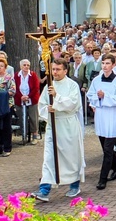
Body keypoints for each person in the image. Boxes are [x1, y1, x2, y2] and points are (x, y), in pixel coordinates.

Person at [31, 59, 85, 201]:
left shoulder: (72, 85)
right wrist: (47, 109)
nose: (55, 72)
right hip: (53, 124)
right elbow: (42, 104)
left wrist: (57, 97)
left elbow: (74, 104)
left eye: (58, 69)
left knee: (71, 157)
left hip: (68, 125)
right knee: (49, 157)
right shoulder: (49, 85)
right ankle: (44, 189)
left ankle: (74, 185)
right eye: (53, 69)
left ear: (65, 70)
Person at [87, 54, 116, 190]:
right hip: (101, 116)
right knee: (105, 146)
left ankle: (102, 178)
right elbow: (90, 94)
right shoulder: (97, 80)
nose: (104, 66)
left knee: (108, 150)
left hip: (114, 116)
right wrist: (97, 99)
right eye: (103, 63)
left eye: (107, 63)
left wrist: (105, 96)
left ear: (113, 64)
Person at [15, 58, 41, 143]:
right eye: (24, 65)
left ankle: (34, 135)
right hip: (20, 99)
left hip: (32, 99)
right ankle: (23, 135)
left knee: (33, 117)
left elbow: (36, 88)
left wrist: (28, 96)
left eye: (28, 65)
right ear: (20, 66)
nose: (26, 67)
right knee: (21, 117)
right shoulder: (16, 75)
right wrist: (21, 96)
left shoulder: (33, 75)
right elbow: (14, 87)